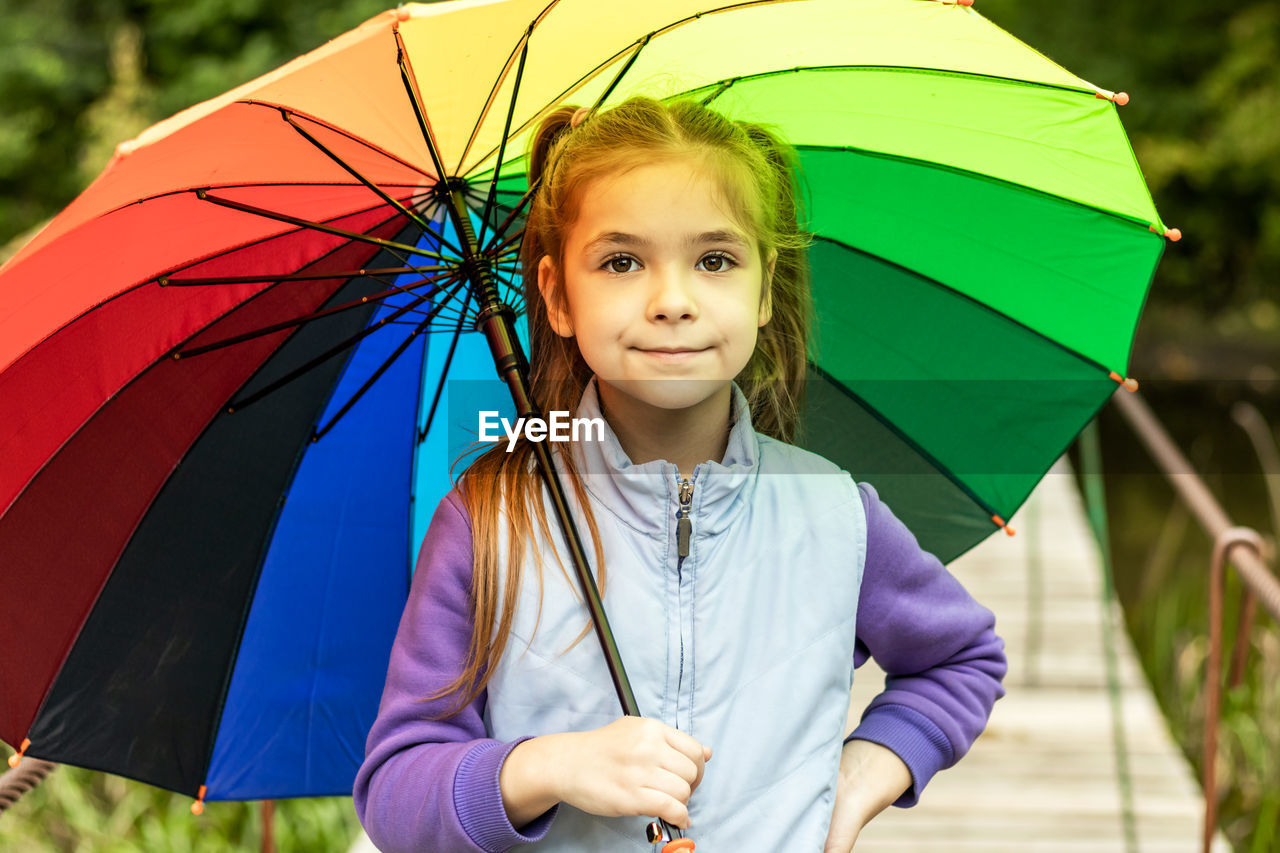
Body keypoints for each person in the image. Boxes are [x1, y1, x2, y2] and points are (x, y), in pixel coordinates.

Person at [353, 96, 1006, 852]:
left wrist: (862, 775)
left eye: (715, 260)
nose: (672, 301)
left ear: (765, 291)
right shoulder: (491, 520)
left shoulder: (834, 514)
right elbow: (396, 788)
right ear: (560, 295)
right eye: (622, 261)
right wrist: (545, 765)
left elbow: (961, 658)